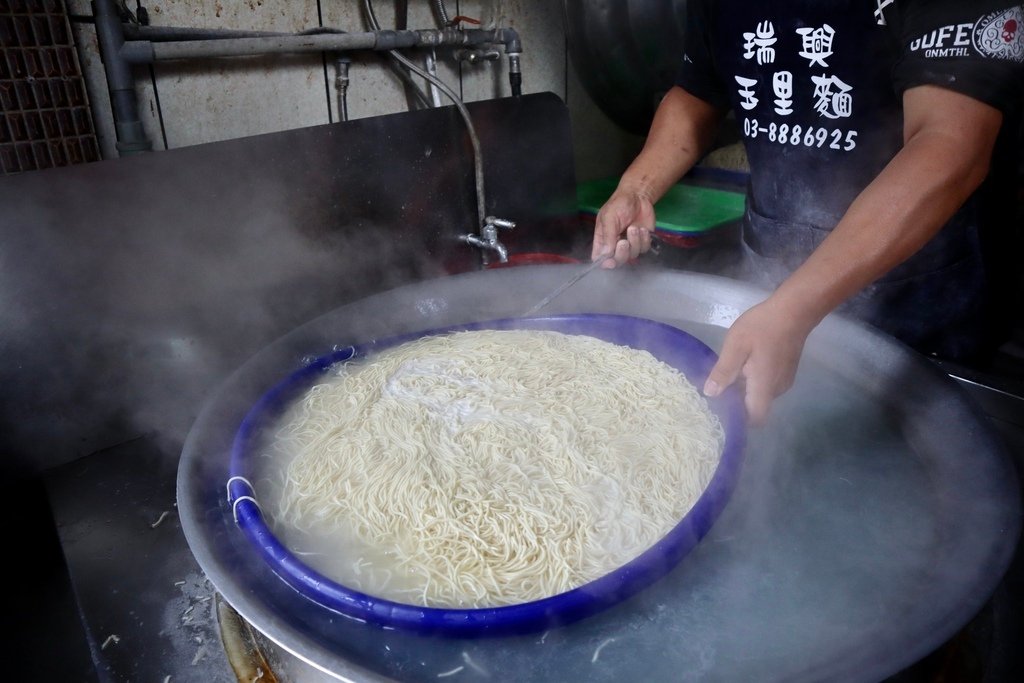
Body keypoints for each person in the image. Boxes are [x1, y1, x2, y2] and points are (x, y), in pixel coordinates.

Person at [591, 0, 1024, 425]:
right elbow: (697, 93)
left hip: (918, 310)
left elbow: (950, 145)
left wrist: (793, 308)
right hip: (769, 284)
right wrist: (637, 188)